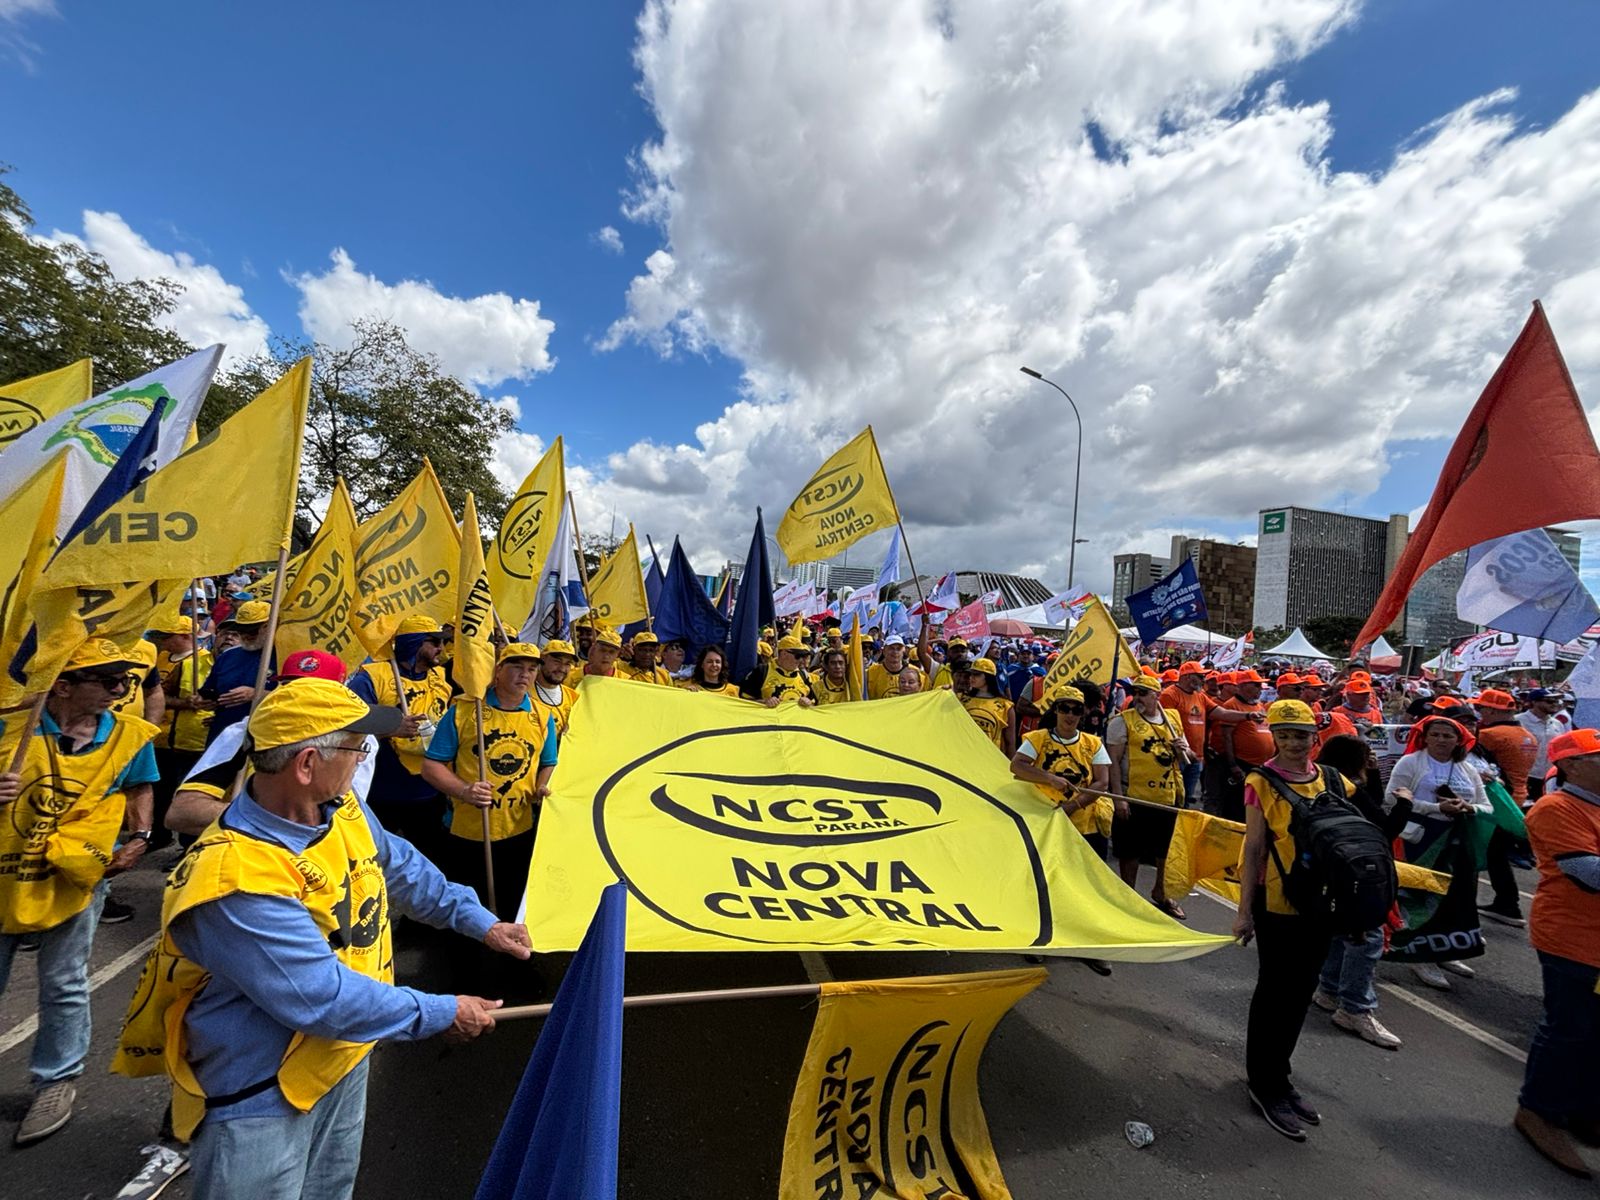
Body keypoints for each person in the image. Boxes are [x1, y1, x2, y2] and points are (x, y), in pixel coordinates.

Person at [111, 679, 521, 1198]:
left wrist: (482, 922)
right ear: (307, 764)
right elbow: (320, 997)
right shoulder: (236, 877)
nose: (364, 758)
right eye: (357, 747)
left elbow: (402, 868)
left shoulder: (341, 806)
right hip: (265, 1098)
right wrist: (443, 1011)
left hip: (343, 1057)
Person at [0, 639, 160, 1145]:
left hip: (75, 879)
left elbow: (140, 786)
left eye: (126, 681)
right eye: (108, 681)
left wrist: (139, 838)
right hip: (5, 878)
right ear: (63, 686)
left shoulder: (130, 735)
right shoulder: (11, 728)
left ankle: (56, 1081)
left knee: (65, 981)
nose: (120, 690)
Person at [1233, 699, 1360, 1141]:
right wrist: (1244, 912)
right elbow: (1253, 849)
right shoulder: (1260, 781)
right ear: (1273, 737)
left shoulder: (1333, 779)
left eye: (1300, 735)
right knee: (1274, 994)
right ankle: (1262, 1084)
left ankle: (1281, 1078)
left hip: (1322, 904)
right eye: (1283, 735)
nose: (1291, 743)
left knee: (1301, 992)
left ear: (1315, 737)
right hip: (1277, 904)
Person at [1514, 728, 1600, 1178]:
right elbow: (1587, 872)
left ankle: (1581, 1110)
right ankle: (1538, 1112)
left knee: (1594, 1031)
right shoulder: (1557, 808)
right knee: (1568, 1028)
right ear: (1569, 765)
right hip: (1573, 939)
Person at [421, 643, 558, 921]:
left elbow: (549, 762)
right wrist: (464, 790)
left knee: (512, 902)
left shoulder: (543, 716)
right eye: (517, 667)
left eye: (532, 669)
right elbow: (431, 765)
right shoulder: (464, 711)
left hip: (520, 828)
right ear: (498, 670)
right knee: (467, 905)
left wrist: (541, 786)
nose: (525, 674)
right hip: (468, 828)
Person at [1310, 735, 1409, 1052]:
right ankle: (1354, 1008)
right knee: (1366, 937)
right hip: (1356, 872)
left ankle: (1329, 989)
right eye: (1366, 757)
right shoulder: (1348, 787)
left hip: (1332, 870)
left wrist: (1374, 776)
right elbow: (1385, 826)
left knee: (1341, 931)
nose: (1371, 761)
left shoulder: (1320, 781)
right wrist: (1405, 802)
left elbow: (1370, 805)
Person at [1011, 684, 1115, 975]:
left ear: (1083, 713)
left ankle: (1089, 945)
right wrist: (1049, 778)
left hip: (1085, 824)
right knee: (1045, 882)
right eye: (1064, 708)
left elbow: (1102, 782)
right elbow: (1017, 766)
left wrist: (1073, 806)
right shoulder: (1038, 739)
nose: (1070, 715)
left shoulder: (1093, 743)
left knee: (1088, 884)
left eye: (1076, 710)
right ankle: (1039, 940)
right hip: (1045, 822)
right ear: (1055, 710)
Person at [1385, 714, 1490, 990]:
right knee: (1421, 898)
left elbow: (1486, 805)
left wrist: (1468, 807)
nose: (1441, 740)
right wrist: (1435, 808)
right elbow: (1391, 797)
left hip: (1456, 841)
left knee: (1455, 897)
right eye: (1435, 734)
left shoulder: (1467, 769)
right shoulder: (1411, 763)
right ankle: (1420, 957)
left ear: (1459, 740)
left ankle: (1445, 951)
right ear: (1425, 737)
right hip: (1420, 840)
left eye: (1447, 735)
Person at [347, 616, 454, 861]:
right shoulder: (372, 677)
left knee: (427, 859)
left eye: (442, 642)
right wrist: (391, 728)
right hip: (381, 790)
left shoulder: (440, 677)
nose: (441, 648)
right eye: (433, 641)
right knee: (371, 858)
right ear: (413, 642)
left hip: (428, 790)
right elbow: (349, 725)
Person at [1105, 675, 1191, 918]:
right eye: (1136, 693)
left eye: (1144, 693)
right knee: (1130, 851)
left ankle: (1162, 892)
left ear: (1157, 695)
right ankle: (1128, 896)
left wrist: (1183, 749)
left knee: (1165, 850)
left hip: (1168, 795)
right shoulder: (1122, 722)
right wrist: (1118, 798)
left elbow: (1189, 756)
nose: (1138, 698)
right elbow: (1113, 762)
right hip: (1135, 796)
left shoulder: (1172, 718)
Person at [148, 609, 215, 846]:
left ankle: (191, 845)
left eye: (168, 636)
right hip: (161, 737)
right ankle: (159, 836)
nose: (163, 641)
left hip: (192, 739)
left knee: (188, 793)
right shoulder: (160, 657)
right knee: (160, 791)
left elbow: (207, 700)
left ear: (186, 636)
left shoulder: (204, 660)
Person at [1474, 688, 1539, 927]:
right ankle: (1507, 903)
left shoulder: (1490, 735)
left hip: (1499, 801)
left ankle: (1508, 903)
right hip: (1518, 800)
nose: (1479, 713)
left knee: (1490, 854)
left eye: (1481, 708)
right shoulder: (1528, 736)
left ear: (1492, 710)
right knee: (1497, 854)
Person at [197, 600, 275, 744]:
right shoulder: (227, 656)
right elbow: (211, 690)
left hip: (263, 739)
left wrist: (258, 694)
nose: (245, 635)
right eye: (240, 629)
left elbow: (300, 697)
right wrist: (206, 702)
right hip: (223, 738)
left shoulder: (284, 656)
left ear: (269, 627)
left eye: (252, 630)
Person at [1210, 669, 1274, 822]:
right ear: (1244, 686)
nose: (1260, 689)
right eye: (1256, 685)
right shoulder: (1232, 705)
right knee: (1235, 805)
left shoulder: (1259, 706)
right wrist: (1233, 765)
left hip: (1260, 765)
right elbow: (1226, 737)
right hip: (1242, 763)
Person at [1519, 688, 1571, 801]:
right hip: (1526, 776)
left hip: (1550, 777)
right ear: (1534, 702)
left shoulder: (1557, 724)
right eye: (1549, 701)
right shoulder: (1519, 721)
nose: (1554, 704)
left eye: (1556, 701)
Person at [741, 635, 817, 706]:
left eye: (803, 656)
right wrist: (764, 702)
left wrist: (808, 702)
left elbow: (814, 703)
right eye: (798, 656)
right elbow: (743, 701)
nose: (801, 660)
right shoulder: (762, 671)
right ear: (784, 654)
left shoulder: (804, 675)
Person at [960, 659, 1015, 755]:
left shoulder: (1005, 706)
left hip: (990, 757)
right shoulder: (962, 699)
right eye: (971, 674)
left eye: (977, 674)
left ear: (988, 677)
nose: (972, 677)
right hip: (963, 754)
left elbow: (1010, 743)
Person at [531, 639, 580, 737]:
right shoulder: (524, 694)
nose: (562, 668)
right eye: (557, 661)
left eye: (567, 664)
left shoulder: (573, 697)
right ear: (542, 658)